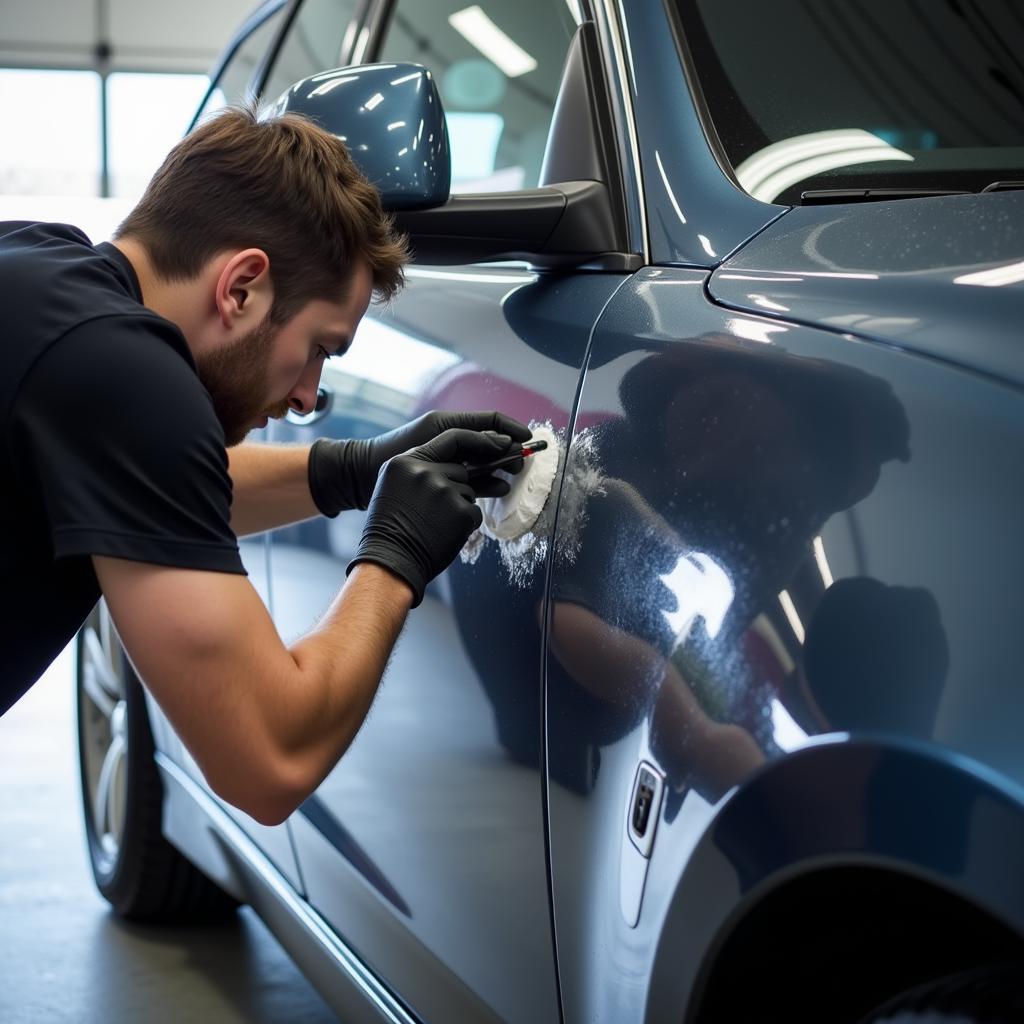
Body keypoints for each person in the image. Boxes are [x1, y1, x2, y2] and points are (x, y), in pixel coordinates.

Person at [0, 104, 530, 825]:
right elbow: (267, 760)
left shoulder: (44, 269)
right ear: (241, 287)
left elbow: (159, 491)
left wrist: (359, 469)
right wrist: (395, 555)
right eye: (318, 346)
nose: (311, 394)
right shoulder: (127, 376)